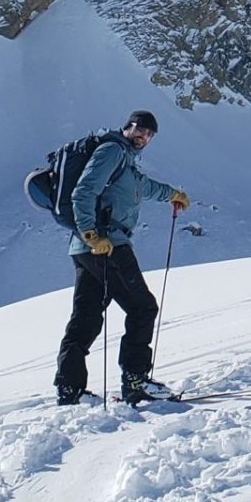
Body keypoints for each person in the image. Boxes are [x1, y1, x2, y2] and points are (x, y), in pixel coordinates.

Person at [57, 109, 190, 405]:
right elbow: (83, 191)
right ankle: (135, 380)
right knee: (143, 308)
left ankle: (69, 388)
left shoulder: (124, 160)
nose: (143, 137)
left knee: (86, 318)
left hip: (86, 249)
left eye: (149, 135)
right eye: (140, 130)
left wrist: (172, 194)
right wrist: (92, 233)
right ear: (128, 127)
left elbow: (142, 186)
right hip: (106, 245)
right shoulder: (112, 151)